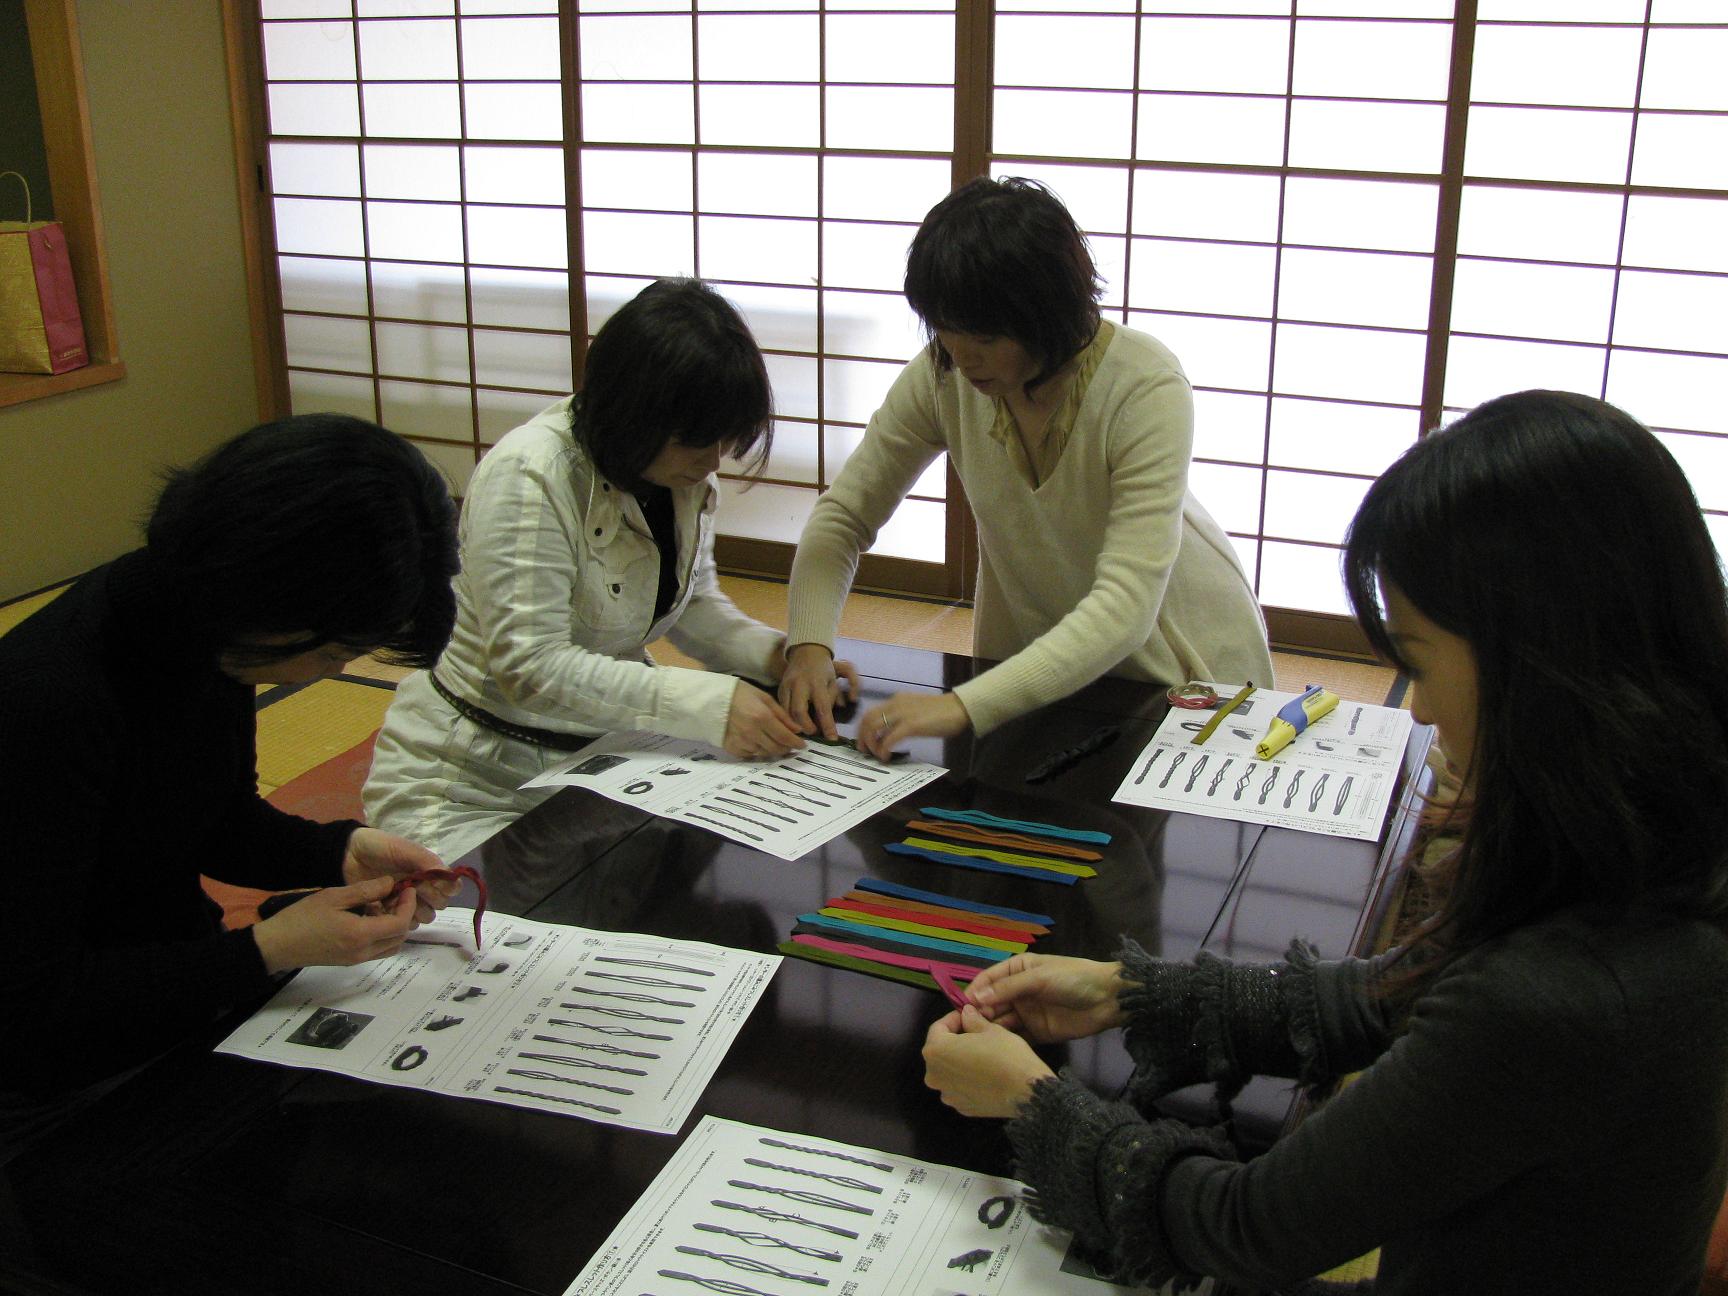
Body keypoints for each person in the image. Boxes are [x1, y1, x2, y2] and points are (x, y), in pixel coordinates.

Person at [920, 390, 1728, 1295]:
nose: (1416, 709)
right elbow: (1398, 1001)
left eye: (1418, 664)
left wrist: (1031, 1101)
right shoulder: (1657, 847)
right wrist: (1128, 992)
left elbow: (1241, 1225)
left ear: (1539, 663)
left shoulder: (1569, 993)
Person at [0, 414, 463, 1160]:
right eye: (341, 650)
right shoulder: (46, 702)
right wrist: (267, 948)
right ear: (272, 601)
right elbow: (30, 1008)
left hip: (171, 996)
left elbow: (210, 820)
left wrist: (341, 851)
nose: (336, 670)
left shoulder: (208, 631)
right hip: (53, 1081)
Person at [779, 177, 1271, 760]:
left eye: (984, 335)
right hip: (1029, 670)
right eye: (945, 330)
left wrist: (961, 706)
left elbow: (1126, 604)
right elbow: (844, 516)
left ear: (1046, 313)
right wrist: (809, 644)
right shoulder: (945, 376)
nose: (962, 358)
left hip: (1176, 666)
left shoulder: (1144, 386)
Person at [364, 278, 853, 862]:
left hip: (603, 757)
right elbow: (528, 665)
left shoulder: (680, 477)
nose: (713, 460)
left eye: (725, 438)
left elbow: (692, 604)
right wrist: (709, 703)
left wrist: (784, 656)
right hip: (475, 769)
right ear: (633, 412)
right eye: (697, 440)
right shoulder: (531, 475)